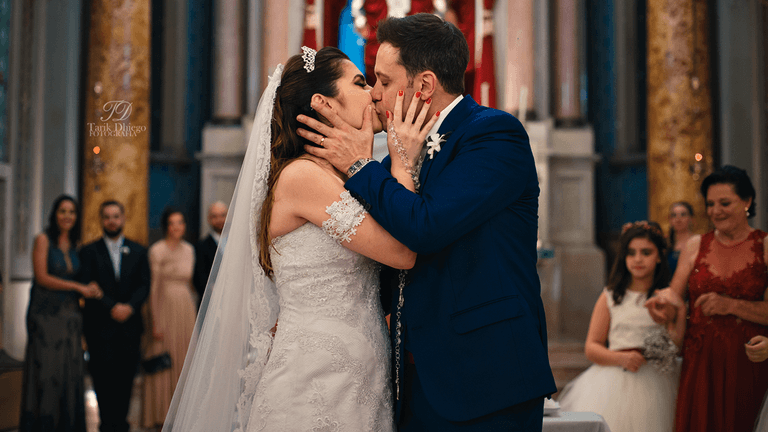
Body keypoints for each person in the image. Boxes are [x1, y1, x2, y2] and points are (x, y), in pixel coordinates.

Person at [298, 13, 556, 431]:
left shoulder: (493, 136)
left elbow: (427, 227)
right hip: (412, 381)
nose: (376, 94)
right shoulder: (390, 164)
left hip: (486, 376)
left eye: (383, 81)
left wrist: (359, 165)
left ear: (423, 85)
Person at [162, 46, 435, 431]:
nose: (374, 92)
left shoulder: (345, 178)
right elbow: (403, 252)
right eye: (360, 82)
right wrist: (402, 156)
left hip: (361, 374)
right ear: (324, 103)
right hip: (315, 380)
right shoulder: (303, 178)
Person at [646, 165, 768, 432]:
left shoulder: (764, 245)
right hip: (701, 362)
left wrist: (731, 305)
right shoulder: (695, 246)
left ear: (747, 201)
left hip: (748, 359)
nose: (715, 211)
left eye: (725, 203)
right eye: (710, 204)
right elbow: (674, 300)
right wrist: (661, 308)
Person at [558, 221, 683, 432]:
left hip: (658, 381)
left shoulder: (666, 298)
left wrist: (679, 312)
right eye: (631, 253)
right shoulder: (611, 297)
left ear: (659, 256)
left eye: (646, 252)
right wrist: (621, 358)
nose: (638, 259)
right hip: (614, 378)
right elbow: (592, 347)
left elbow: (676, 344)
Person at [20, 195, 102, 432]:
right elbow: (42, 277)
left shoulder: (76, 245)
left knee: (69, 375)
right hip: (45, 315)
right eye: (63, 211)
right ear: (54, 214)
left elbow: (80, 278)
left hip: (70, 317)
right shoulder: (43, 240)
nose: (67, 216)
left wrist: (91, 288)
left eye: (72, 212)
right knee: (47, 375)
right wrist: (78, 288)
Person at [79, 200, 150, 432]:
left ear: (123, 218)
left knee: (126, 382)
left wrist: (129, 307)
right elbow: (88, 286)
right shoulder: (89, 251)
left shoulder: (139, 250)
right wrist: (112, 307)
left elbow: (144, 285)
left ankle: (122, 425)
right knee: (102, 381)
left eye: (116, 216)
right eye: (107, 217)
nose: (112, 221)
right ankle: (106, 425)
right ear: (101, 220)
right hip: (100, 328)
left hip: (129, 328)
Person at [141, 208, 196, 430]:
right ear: (166, 226)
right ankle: (160, 415)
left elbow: (191, 284)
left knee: (184, 359)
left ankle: (182, 414)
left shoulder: (190, 250)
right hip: (163, 306)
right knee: (162, 359)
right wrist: (154, 320)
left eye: (180, 222)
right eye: (172, 223)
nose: (177, 227)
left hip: (185, 308)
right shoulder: (157, 250)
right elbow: (153, 287)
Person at [192, 201, 227, 305]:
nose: (219, 220)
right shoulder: (201, 246)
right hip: (211, 303)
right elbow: (199, 279)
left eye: (223, 215)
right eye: (214, 216)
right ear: (209, 219)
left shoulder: (237, 243)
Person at [667, 201, 695, 274]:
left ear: (691, 218)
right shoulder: (666, 243)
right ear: (670, 220)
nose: (678, 219)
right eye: (674, 215)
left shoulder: (699, 241)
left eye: (683, 215)